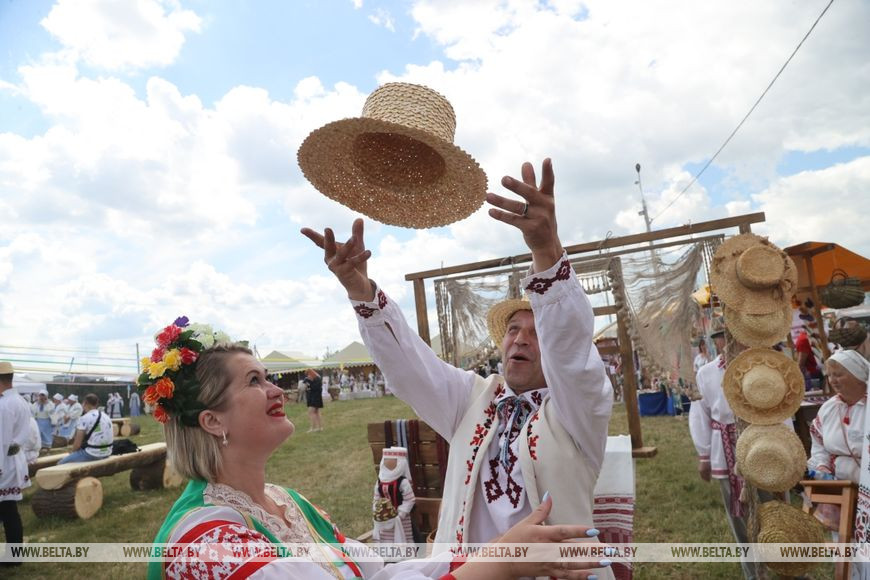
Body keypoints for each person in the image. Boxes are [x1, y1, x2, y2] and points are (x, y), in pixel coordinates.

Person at [303, 158, 614, 576]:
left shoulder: (577, 409)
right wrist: (360, 291)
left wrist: (546, 250)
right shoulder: (472, 398)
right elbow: (410, 367)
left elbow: (571, 351)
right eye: (513, 329)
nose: (521, 338)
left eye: (536, 331)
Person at [143, 318, 605, 579]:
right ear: (213, 421)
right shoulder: (206, 539)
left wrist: (498, 550)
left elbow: (379, 571)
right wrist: (500, 563)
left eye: (268, 377)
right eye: (254, 381)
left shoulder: (286, 503)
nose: (277, 390)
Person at [0, 361, 32, 568]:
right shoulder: (19, 401)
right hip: (13, 459)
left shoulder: (4, 405)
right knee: (9, 511)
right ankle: (15, 555)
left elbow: (1, 441)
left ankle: (13, 557)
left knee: (8, 511)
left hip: (4, 462)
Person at [57, 394, 113, 465]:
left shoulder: (84, 418)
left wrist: (72, 454)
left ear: (85, 403)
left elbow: (77, 445)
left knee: (61, 463)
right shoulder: (106, 416)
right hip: (107, 452)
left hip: (93, 453)